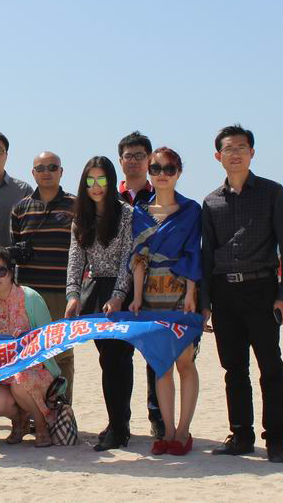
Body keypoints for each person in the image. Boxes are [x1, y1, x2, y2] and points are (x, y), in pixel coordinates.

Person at [201, 125, 283, 463]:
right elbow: (207, 256)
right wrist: (205, 303)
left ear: (252, 153)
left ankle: (276, 440)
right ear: (218, 156)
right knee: (234, 369)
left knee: (271, 367)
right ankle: (241, 435)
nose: (236, 154)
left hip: (263, 289)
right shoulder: (211, 202)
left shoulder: (272, 193)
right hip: (224, 292)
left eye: (242, 147)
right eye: (229, 149)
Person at [127, 147, 202, 456]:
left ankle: (183, 431)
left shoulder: (191, 210)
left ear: (178, 173)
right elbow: (138, 258)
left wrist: (191, 295)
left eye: (169, 169)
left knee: (185, 362)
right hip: (151, 298)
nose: (162, 174)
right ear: (149, 172)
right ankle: (167, 431)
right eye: (156, 168)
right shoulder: (140, 213)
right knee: (161, 365)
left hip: (181, 295)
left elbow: (194, 253)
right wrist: (136, 298)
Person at [64, 156, 136, 450]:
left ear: (111, 181)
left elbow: (129, 258)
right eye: (90, 180)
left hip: (122, 292)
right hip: (94, 292)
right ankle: (116, 421)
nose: (96, 186)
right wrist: (72, 295)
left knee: (120, 358)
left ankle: (120, 426)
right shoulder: (80, 217)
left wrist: (118, 295)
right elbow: (75, 259)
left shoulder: (126, 214)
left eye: (102, 180)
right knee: (106, 359)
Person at [10, 152, 77, 402]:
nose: (46, 172)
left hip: (63, 292)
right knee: (30, 354)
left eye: (52, 167)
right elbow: (14, 250)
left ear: (61, 171)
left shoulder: (76, 205)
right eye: (40, 168)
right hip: (29, 295)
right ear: (33, 173)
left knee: (62, 355)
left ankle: (62, 410)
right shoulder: (20, 209)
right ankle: (34, 412)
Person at [0, 248, 62, 448]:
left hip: (38, 370)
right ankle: (20, 421)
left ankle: (41, 425)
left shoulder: (31, 297)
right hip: (6, 373)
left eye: (0, 271)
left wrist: (27, 340)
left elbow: (49, 338)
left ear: (11, 271)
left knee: (20, 381)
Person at [116, 130, 163, 438]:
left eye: (139, 156)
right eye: (128, 156)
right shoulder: (109, 198)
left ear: (149, 160)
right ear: (120, 160)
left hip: (156, 287)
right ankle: (120, 421)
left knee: (155, 356)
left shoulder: (162, 195)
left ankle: (158, 417)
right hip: (117, 288)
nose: (133, 161)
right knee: (118, 358)